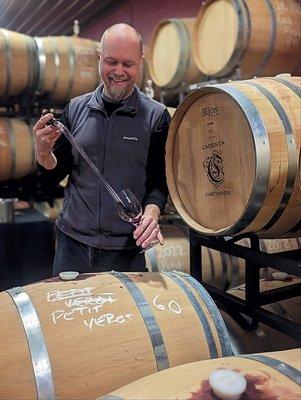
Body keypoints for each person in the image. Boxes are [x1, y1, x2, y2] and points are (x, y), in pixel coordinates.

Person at [33, 23, 170, 276]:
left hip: (125, 250)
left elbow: (159, 182)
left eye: (127, 64)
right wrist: (43, 154)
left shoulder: (156, 117)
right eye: (111, 62)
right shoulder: (75, 109)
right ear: (98, 59)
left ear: (140, 63)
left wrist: (151, 212)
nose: (118, 72)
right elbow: (58, 170)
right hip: (71, 245)